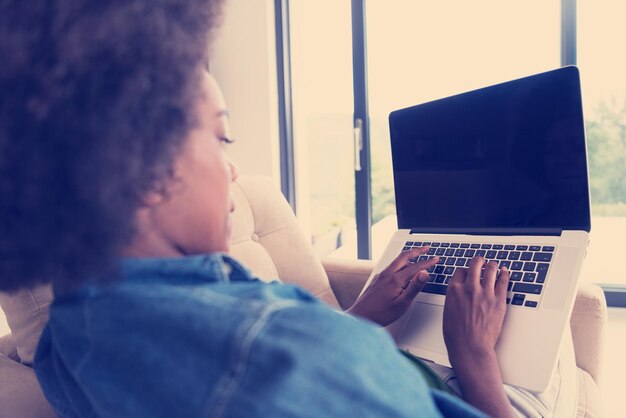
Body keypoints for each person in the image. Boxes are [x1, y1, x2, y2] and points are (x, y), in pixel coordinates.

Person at [0, 1, 575, 417]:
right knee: (555, 340)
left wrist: (362, 318)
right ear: (148, 171)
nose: (231, 169)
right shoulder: (296, 353)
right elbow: (285, 366)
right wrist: (473, 359)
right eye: (221, 139)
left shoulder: (69, 336)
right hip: (468, 391)